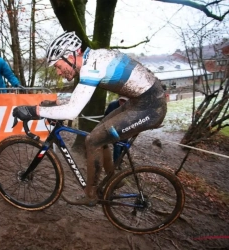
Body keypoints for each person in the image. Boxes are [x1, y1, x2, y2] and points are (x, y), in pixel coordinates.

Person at [12, 31, 167, 206]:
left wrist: (35, 110)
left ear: (71, 55)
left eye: (57, 65)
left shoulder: (91, 67)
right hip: (139, 102)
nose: (58, 72)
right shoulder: (93, 59)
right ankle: (114, 179)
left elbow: (72, 111)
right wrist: (52, 105)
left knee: (93, 141)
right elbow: (78, 97)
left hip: (150, 107)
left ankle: (90, 194)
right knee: (99, 133)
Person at [104, 96, 129, 164]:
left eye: (124, 101)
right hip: (113, 128)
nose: (122, 102)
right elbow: (106, 116)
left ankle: (120, 159)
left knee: (123, 146)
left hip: (124, 128)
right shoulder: (112, 105)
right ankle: (116, 163)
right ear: (119, 99)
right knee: (117, 145)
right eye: (121, 100)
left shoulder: (129, 106)